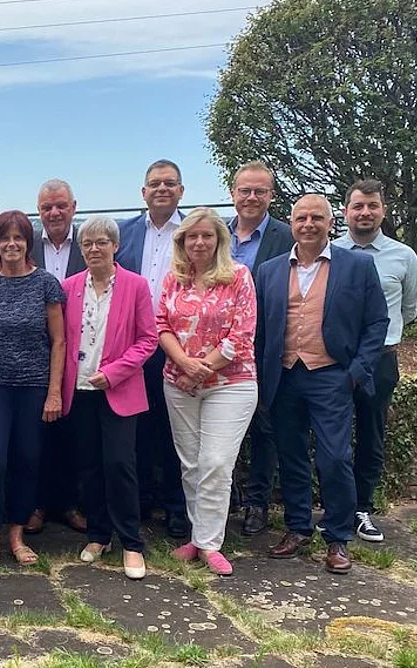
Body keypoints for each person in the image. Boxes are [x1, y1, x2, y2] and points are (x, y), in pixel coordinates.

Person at [256, 194, 388, 575]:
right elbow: (262, 329)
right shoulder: (269, 270)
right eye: (301, 218)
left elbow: (376, 322)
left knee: (334, 457)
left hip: (332, 374)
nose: (308, 223)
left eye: (317, 217)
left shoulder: (357, 266)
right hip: (284, 375)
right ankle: (298, 528)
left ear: (331, 222)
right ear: (291, 222)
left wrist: (356, 372)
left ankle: (337, 536)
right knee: (291, 456)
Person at [0, 210, 66, 573]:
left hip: (34, 386)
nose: (11, 244)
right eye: (4, 238)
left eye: (18, 238)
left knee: (26, 459)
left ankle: (17, 536)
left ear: (27, 242)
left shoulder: (46, 284)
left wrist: (54, 392)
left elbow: (59, 342)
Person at [157, 208, 258, 576]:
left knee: (216, 462)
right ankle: (198, 538)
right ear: (182, 242)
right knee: (192, 463)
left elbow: (243, 332)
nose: (199, 242)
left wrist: (200, 369)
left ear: (219, 240)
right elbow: (161, 325)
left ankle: (211, 544)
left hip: (230, 383)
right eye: (191, 237)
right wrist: (183, 363)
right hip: (178, 382)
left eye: (207, 236)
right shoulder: (174, 279)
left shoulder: (238, 277)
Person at [59, 215, 156, 580]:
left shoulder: (135, 286)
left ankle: (131, 542)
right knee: (89, 465)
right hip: (79, 389)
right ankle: (99, 535)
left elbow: (148, 338)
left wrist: (114, 373)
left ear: (115, 246)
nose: (94, 249)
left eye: (102, 242)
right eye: (87, 243)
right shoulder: (68, 287)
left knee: (120, 464)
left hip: (118, 390)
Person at [332, 179, 417, 542]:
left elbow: (410, 309)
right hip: (336, 361)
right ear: (346, 212)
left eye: (372, 206)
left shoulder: (403, 256)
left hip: (380, 360)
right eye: (358, 206)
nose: (365, 212)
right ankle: (335, 508)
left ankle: (362, 509)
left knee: (371, 435)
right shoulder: (331, 251)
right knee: (332, 438)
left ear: (383, 211)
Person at [116, 159, 191, 538]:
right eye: (154, 183)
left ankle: (178, 508)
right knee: (137, 429)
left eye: (169, 183)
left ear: (181, 191)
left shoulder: (194, 233)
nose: (162, 189)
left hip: (181, 347)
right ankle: (142, 502)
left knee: (176, 430)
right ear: (143, 192)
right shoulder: (124, 233)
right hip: (134, 348)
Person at [226, 161, 295, 537]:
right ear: (233, 193)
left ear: (271, 195)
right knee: (217, 427)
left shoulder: (287, 237)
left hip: (266, 347)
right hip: (218, 351)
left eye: (260, 191)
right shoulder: (217, 234)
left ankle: (257, 502)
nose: (251, 197)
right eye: (245, 190)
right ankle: (228, 496)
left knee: (264, 428)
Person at [28, 179, 89, 536]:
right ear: (39, 211)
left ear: (74, 207)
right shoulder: (26, 244)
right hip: (33, 351)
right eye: (47, 207)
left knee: (73, 432)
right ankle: (36, 504)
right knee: (36, 433)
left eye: (60, 206)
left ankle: (69, 504)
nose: (54, 213)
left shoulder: (89, 244)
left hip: (81, 351)